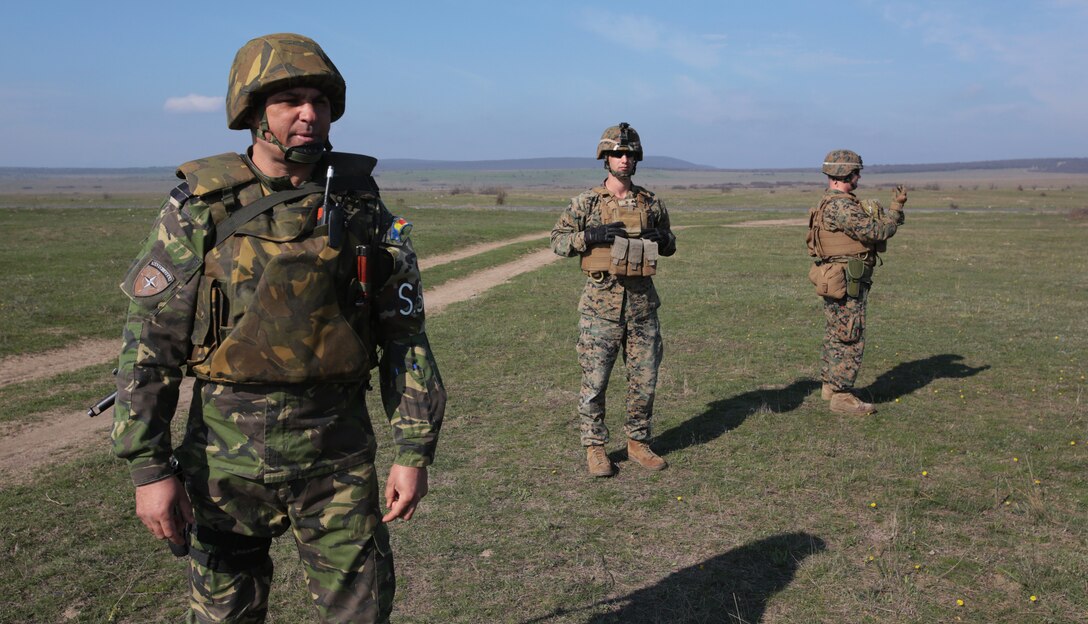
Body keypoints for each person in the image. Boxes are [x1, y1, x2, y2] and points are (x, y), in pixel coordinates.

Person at [111, 33, 446, 623]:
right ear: (253, 109)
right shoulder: (202, 207)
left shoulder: (361, 207)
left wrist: (413, 451)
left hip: (337, 457)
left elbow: (404, 340)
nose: (308, 114)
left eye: (318, 99)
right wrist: (149, 470)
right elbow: (149, 343)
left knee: (360, 615)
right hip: (224, 463)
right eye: (290, 99)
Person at [550, 122, 677, 477]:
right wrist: (588, 236)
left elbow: (671, 244)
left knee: (645, 380)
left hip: (642, 307)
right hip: (600, 308)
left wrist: (662, 238)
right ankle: (595, 448)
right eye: (617, 154)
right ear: (605, 158)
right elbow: (557, 240)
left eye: (629, 154)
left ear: (637, 159)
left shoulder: (651, 202)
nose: (624, 159)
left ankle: (638, 442)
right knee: (595, 382)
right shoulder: (586, 202)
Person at [806, 149, 907, 415]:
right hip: (847, 279)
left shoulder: (829, 202)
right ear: (844, 174)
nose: (858, 177)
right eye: (856, 172)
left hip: (837, 278)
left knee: (836, 333)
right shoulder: (841, 205)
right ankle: (842, 396)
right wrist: (895, 210)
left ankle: (831, 385)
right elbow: (878, 231)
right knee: (850, 335)